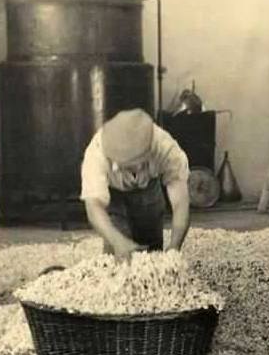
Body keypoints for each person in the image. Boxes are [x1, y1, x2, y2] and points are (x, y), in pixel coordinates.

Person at [80, 108, 191, 261]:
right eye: (130, 165)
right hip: (113, 195)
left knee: (151, 248)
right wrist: (118, 242)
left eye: (142, 162)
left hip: (149, 189)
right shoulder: (96, 154)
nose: (138, 169)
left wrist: (175, 247)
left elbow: (180, 202)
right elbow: (94, 207)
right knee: (117, 253)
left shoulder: (165, 145)